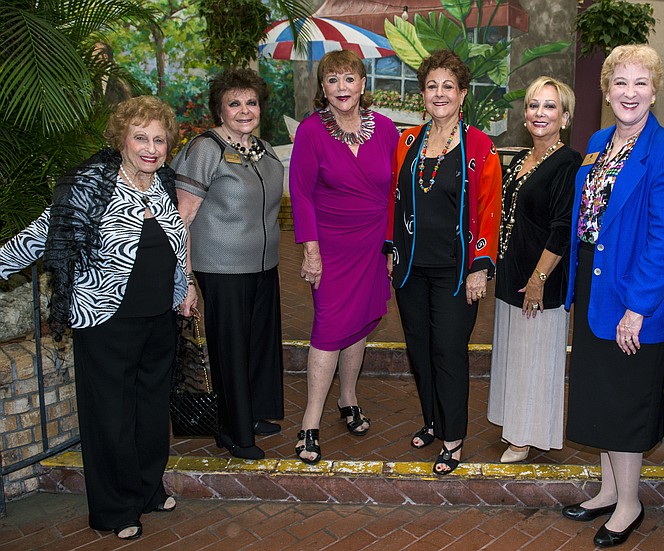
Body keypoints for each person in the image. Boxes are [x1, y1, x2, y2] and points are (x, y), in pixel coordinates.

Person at [0, 96, 193, 540]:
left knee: (149, 410)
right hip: (107, 321)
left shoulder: (162, 183)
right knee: (110, 416)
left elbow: (176, 242)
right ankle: (114, 508)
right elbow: (44, 233)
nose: (151, 147)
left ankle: (147, 490)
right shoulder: (93, 186)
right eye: (141, 137)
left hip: (158, 318)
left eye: (159, 139)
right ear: (121, 139)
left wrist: (188, 286)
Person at [560, 44, 664, 548]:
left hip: (637, 294)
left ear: (655, 90)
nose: (629, 93)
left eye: (640, 83)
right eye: (620, 83)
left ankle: (631, 502)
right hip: (596, 287)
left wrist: (637, 308)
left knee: (626, 400)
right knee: (602, 396)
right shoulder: (597, 140)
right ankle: (609, 489)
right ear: (607, 90)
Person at [386, 49, 501, 475]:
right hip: (412, 268)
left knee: (448, 350)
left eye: (448, 86)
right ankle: (432, 420)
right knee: (419, 349)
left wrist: (480, 266)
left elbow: (490, 208)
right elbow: (394, 203)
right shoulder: (408, 141)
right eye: (431, 86)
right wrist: (391, 252)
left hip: (457, 272)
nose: (439, 93)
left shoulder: (480, 146)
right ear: (422, 94)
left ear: (462, 93)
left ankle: (453, 438)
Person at [289, 50, 398, 464]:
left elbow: (395, 195)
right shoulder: (311, 132)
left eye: (348, 79)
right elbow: (300, 194)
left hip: (372, 244)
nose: (341, 88)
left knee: (359, 324)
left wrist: (391, 246)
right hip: (330, 248)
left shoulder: (386, 129)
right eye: (332, 80)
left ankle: (348, 399)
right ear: (322, 88)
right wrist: (311, 252)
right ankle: (310, 423)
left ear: (363, 84)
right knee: (329, 326)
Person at [172, 68, 284, 461]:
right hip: (220, 268)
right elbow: (181, 218)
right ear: (219, 110)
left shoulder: (266, 149)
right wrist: (184, 279)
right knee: (231, 350)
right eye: (234, 103)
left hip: (264, 266)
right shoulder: (206, 149)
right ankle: (231, 431)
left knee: (257, 344)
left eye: (250, 102)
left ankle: (251, 413)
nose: (244, 110)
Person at [487, 76, 581, 463]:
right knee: (515, 355)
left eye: (549, 106)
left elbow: (563, 226)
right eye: (533, 106)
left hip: (539, 280)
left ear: (565, 116)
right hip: (513, 272)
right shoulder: (523, 158)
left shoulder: (568, 162)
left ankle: (526, 436)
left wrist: (539, 278)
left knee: (534, 358)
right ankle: (515, 425)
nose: (539, 113)